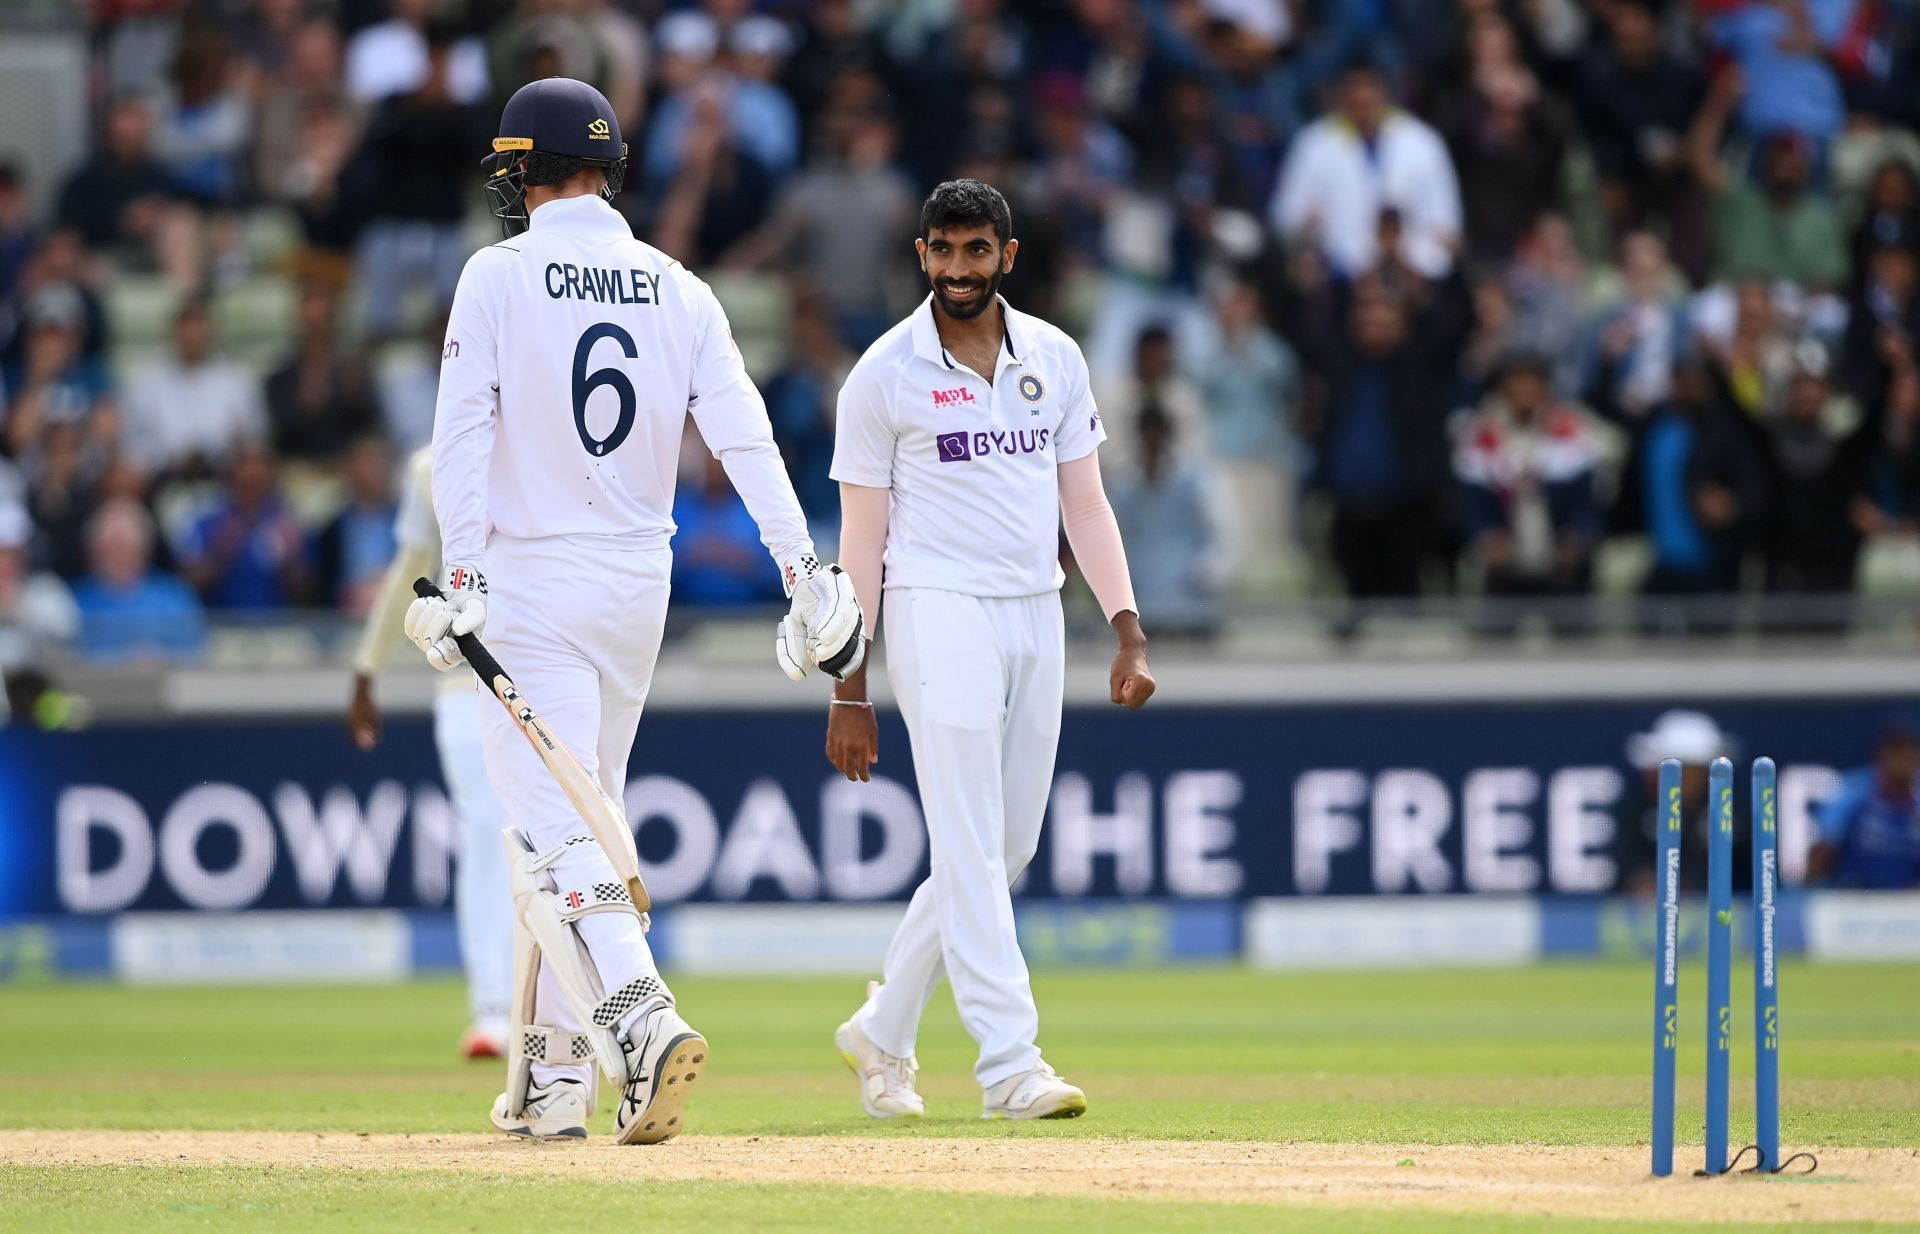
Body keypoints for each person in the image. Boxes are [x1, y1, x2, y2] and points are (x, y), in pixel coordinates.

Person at [403, 78, 862, 1146]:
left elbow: (461, 435)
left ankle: (642, 1020)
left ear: (530, 170)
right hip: (636, 590)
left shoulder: (498, 275)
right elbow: (747, 438)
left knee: (554, 829)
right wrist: (805, 571)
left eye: (515, 168)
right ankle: (552, 1079)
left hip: (529, 580)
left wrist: (461, 577)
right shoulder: (679, 285)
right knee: (576, 821)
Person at [825, 180, 1155, 1122]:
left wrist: (1126, 625)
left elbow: (1084, 505)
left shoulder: (1053, 354)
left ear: (1008, 255)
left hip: (1034, 609)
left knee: (1004, 847)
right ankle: (1010, 1064)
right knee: (968, 840)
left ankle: (883, 1029)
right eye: (943, 250)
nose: (959, 270)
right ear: (921, 255)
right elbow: (862, 546)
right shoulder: (884, 373)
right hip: (935, 605)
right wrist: (850, 684)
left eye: (977, 251)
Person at [347, 447, 513, 1061]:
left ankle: (551, 1004)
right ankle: (494, 1009)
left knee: (547, 833)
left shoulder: (554, 429)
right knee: (487, 832)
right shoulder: (429, 466)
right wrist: (367, 668)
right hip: (462, 680)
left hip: (546, 670)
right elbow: (410, 569)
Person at [1810, 725, 1920, 889]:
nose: (1900, 762)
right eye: (1895, 753)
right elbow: (1824, 848)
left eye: (1906, 753)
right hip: (1854, 896)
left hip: (1909, 900)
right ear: (1882, 757)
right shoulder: (1853, 793)